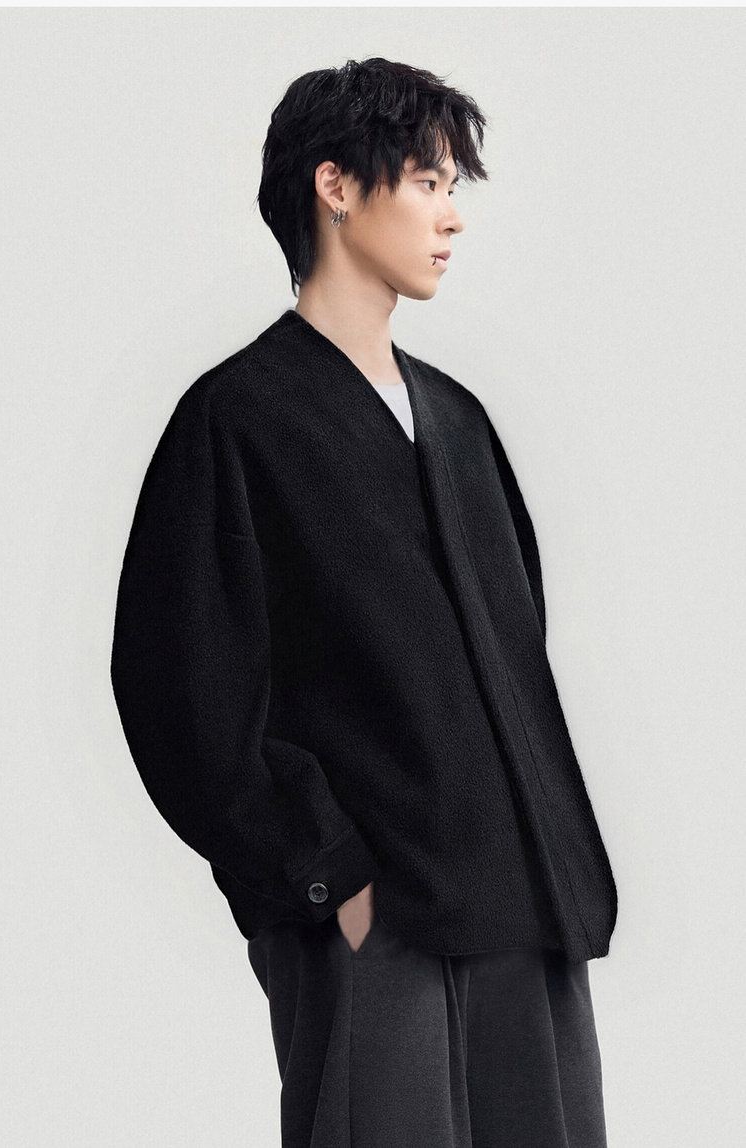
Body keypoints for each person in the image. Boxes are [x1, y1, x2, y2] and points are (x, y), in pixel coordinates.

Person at [110, 57, 618, 1147]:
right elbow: (180, 689)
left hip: (525, 914)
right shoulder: (237, 420)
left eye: (452, 188)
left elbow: (517, 662)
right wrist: (327, 878)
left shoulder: (460, 423)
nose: (451, 215)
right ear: (334, 185)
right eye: (428, 181)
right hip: (377, 926)